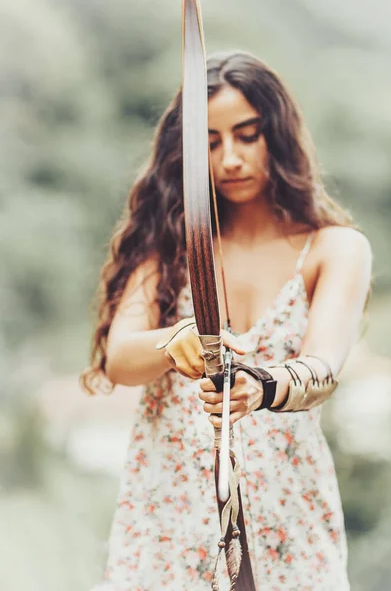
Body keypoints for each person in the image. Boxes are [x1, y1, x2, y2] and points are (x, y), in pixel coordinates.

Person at [82, 51, 372, 591]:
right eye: (210, 143)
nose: (231, 158)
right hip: (170, 508)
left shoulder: (336, 249)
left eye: (248, 135)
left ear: (277, 137)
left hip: (286, 511)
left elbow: (323, 370)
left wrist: (261, 386)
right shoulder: (170, 246)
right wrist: (175, 340)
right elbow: (120, 359)